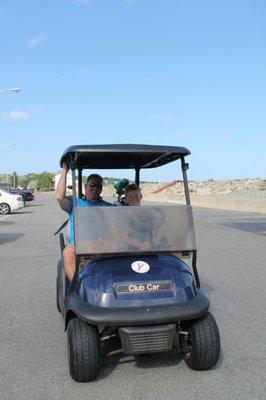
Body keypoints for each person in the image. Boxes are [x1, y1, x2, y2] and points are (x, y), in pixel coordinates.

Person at [56, 163, 112, 281]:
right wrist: (65, 171)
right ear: (85, 186)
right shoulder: (75, 203)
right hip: (80, 245)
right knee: (68, 252)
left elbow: (121, 221)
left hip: (101, 244)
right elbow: (60, 197)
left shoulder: (108, 206)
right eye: (92, 185)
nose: (95, 188)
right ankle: (77, 287)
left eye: (99, 186)